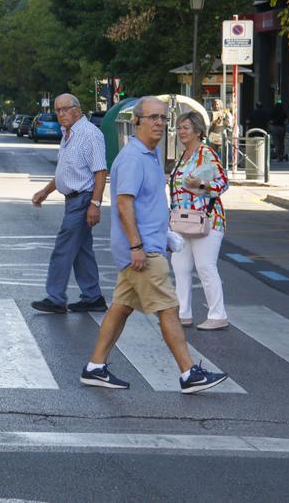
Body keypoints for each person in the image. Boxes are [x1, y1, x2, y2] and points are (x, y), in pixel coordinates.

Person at [80, 96, 229, 393]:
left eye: (163, 118)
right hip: (144, 251)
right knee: (169, 309)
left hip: (147, 246)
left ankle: (95, 366)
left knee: (121, 308)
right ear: (137, 122)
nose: (160, 123)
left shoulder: (149, 154)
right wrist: (137, 246)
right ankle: (189, 373)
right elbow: (124, 204)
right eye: (153, 118)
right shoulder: (134, 157)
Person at [30, 93, 108, 314]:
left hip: (83, 199)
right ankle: (93, 297)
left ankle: (55, 297)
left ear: (77, 109)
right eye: (57, 110)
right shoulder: (68, 134)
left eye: (65, 109)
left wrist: (95, 204)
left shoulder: (89, 134)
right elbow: (66, 172)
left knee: (63, 249)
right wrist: (46, 191)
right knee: (82, 251)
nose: (61, 114)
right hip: (73, 200)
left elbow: (100, 171)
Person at [169, 111, 230, 330]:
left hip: (207, 220)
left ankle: (217, 315)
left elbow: (223, 184)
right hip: (182, 221)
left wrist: (200, 186)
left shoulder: (206, 154)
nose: (181, 132)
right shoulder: (183, 155)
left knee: (205, 267)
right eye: (179, 128)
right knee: (180, 267)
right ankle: (183, 313)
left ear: (197, 130)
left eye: (185, 128)